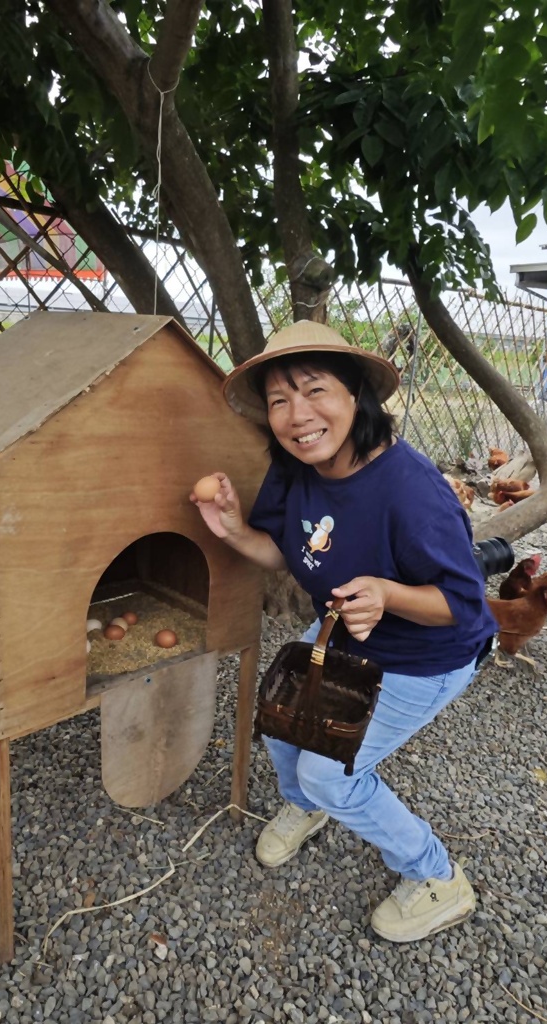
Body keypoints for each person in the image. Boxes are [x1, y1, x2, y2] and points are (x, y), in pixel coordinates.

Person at [191, 321, 498, 943]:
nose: (296, 415)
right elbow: (286, 553)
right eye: (279, 400)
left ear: (356, 395)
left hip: (425, 655)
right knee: (281, 718)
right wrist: (229, 529)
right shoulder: (297, 465)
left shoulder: (411, 492)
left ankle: (436, 876)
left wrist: (386, 594)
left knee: (330, 772)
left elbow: (463, 605)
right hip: (345, 630)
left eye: (314, 390)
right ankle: (307, 808)